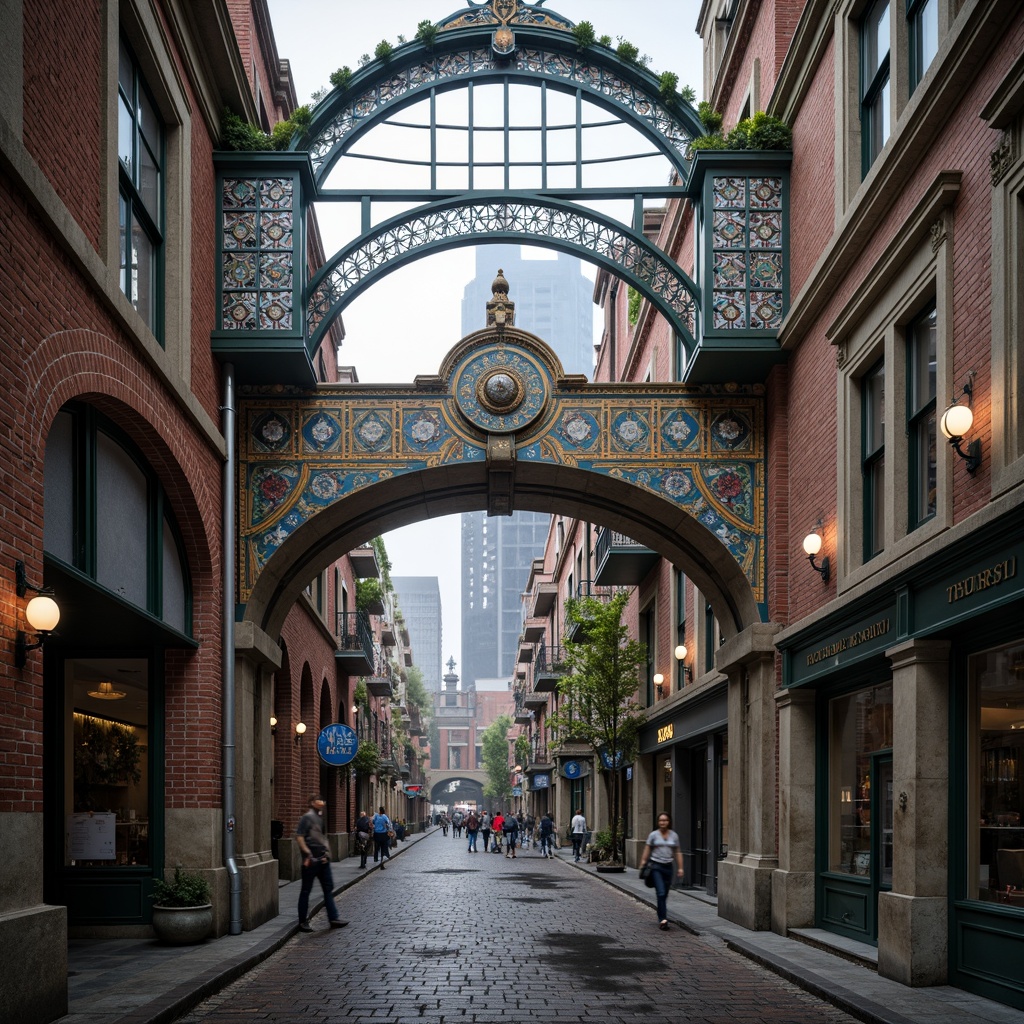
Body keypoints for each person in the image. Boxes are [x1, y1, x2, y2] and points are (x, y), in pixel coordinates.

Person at [295, 794, 348, 931]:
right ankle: (302, 922)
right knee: (306, 890)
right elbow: (300, 837)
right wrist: (308, 853)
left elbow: (322, 838)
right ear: (312, 802)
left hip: (323, 860)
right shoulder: (306, 817)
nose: (322, 802)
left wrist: (327, 854)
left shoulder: (319, 818)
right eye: (319, 800)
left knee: (328, 889)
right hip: (311, 860)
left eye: (322, 800)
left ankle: (333, 918)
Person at [637, 812, 685, 930]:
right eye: (661, 820)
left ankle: (661, 915)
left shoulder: (674, 836)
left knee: (665, 894)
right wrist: (643, 863)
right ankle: (663, 919)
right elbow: (647, 849)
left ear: (669, 822)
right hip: (656, 866)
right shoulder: (653, 835)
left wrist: (680, 867)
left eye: (665, 820)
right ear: (658, 822)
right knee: (661, 892)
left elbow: (677, 852)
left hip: (668, 867)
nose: (663, 822)